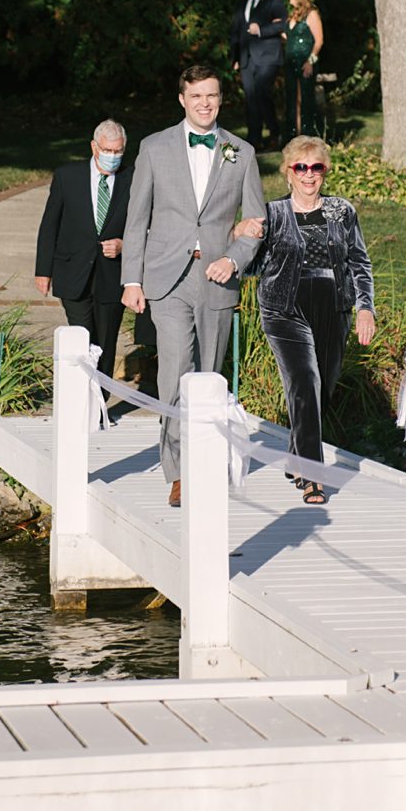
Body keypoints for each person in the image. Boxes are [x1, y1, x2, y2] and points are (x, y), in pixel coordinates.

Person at [121, 65, 267, 507]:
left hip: (217, 278)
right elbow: (136, 219)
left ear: (221, 99)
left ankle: (206, 459)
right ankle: (179, 472)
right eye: (197, 96)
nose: (205, 103)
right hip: (167, 278)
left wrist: (233, 259)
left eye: (212, 96)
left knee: (209, 376)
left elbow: (255, 222)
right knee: (175, 373)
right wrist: (132, 279)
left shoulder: (241, 152)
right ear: (182, 99)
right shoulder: (154, 147)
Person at [232, 137, 375, 504]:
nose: (309, 174)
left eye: (316, 167)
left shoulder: (342, 211)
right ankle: (312, 475)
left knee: (320, 389)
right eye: (301, 167)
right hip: (284, 307)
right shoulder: (273, 213)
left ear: (325, 172)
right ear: (288, 172)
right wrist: (238, 234)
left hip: (334, 306)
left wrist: (365, 307)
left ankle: (297, 456)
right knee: (304, 380)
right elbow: (253, 265)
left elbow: (359, 262)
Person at [34, 120, 134, 377]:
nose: (113, 156)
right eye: (108, 150)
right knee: (82, 339)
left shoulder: (133, 179)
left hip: (112, 275)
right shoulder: (67, 176)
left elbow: (146, 225)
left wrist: (124, 244)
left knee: (106, 343)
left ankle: (101, 395)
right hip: (73, 271)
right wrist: (43, 271)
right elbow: (50, 225)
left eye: (118, 151)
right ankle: (82, 392)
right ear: (94, 147)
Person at [229, 0, 286, 147]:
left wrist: (261, 30)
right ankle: (255, 138)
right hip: (246, 58)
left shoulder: (274, 0)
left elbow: (283, 24)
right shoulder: (242, 3)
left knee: (262, 92)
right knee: (250, 97)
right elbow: (236, 31)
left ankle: (275, 132)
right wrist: (235, 58)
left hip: (267, 56)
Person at [282, 0, 325, 139]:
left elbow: (319, 41)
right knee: (292, 98)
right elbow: (289, 37)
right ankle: (293, 133)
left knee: (306, 98)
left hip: (305, 62)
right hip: (290, 62)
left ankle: (308, 133)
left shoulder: (312, 14)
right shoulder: (293, 15)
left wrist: (310, 61)